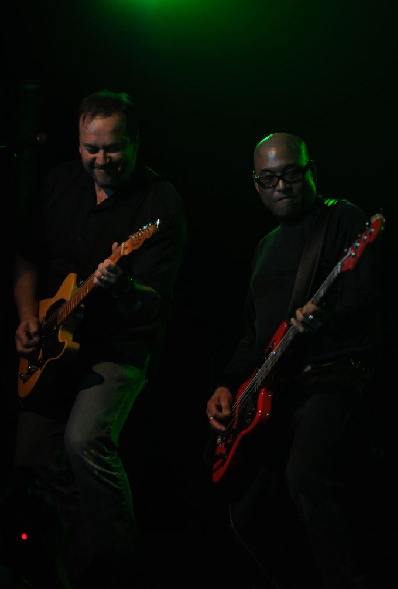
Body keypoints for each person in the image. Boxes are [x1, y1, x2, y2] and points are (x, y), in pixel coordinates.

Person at [12, 89, 187, 588]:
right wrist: (26, 318)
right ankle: (79, 565)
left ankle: (121, 574)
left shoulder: (159, 201)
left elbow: (156, 300)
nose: (100, 159)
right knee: (31, 457)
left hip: (118, 346)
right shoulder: (59, 183)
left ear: (134, 144)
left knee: (84, 440)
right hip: (53, 341)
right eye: (91, 148)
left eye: (112, 149)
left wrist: (124, 284)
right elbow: (26, 256)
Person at [206, 132, 384, 589]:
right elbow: (255, 335)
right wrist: (228, 383)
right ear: (256, 185)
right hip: (274, 390)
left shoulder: (341, 219)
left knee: (305, 473)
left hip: (333, 375)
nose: (281, 185)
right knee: (244, 511)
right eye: (269, 178)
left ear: (311, 172)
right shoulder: (264, 247)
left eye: (290, 173)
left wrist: (324, 319)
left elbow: (370, 297)